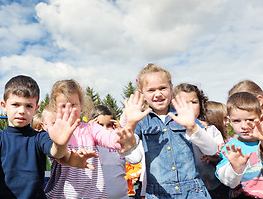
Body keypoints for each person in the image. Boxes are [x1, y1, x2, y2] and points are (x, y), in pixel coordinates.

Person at [0, 75, 98, 198]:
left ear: (36, 108)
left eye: (28, 106)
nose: (22, 111)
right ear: (4, 106)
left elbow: (56, 152)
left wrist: (60, 143)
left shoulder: (39, 137)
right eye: (15, 104)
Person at [123, 63, 217, 198]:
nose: (158, 94)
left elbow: (211, 149)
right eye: (151, 90)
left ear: (171, 88)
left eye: (162, 88)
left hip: (193, 192)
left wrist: (193, 128)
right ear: (142, 93)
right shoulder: (140, 121)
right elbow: (134, 159)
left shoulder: (184, 114)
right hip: (158, 193)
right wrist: (130, 128)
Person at [44, 79, 137, 198]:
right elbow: (56, 153)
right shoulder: (54, 132)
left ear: (81, 105)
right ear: (55, 107)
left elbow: (110, 138)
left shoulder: (91, 129)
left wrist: (128, 129)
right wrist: (59, 144)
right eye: (63, 106)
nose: (69, 110)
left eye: (73, 105)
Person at [173, 83, 229, 199]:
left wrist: (214, 157)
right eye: (183, 103)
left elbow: (222, 154)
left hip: (216, 186)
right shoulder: (171, 130)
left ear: (201, 104)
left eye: (194, 102)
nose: (189, 107)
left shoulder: (211, 129)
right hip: (188, 190)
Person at [216, 92, 263, 198]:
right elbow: (229, 182)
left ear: (260, 118)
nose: (244, 126)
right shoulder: (231, 148)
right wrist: (235, 168)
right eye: (236, 121)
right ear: (230, 121)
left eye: (250, 120)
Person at [89, 104, 136, 199]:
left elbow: (135, 159)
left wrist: (122, 134)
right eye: (100, 125)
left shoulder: (118, 143)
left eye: (109, 125)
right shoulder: (90, 143)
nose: (104, 129)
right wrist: (87, 132)